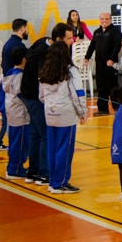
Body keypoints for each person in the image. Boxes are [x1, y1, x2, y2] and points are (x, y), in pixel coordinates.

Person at [20, 22, 75, 182]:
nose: (72, 41)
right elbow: (45, 80)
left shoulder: (41, 42)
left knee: (35, 133)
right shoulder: (48, 54)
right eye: (68, 38)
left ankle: (33, 170)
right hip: (34, 96)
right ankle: (44, 173)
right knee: (45, 134)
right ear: (58, 39)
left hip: (28, 94)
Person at [39, 41, 87, 194]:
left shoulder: (44, 72)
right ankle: (60, 183)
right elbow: (78, 94)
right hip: (66, 115)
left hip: (50, 114)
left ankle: (53, 180)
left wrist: (52, 106)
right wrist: (82, 112)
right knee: (64, 150)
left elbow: (41, 96)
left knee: (52, 149)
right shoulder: (70, 72)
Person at [84, 12, 122, 115]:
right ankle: (102, 109)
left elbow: (117, 46)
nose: (104, 21)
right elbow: (92, 45)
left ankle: (117, 108)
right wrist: (87, 57)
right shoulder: (97, 32)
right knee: (101, 86)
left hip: (110, 64)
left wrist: (112, 59)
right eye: (102, 19)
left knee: (112, 86)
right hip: (99, 63)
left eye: (106, 19)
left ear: (110, 19)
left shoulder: (115, 31)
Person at [2, 47, 29, 178]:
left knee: (14, 141)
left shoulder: (9, 73)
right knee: (20, 143)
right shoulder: (20, 75)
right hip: (20, 114)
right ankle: (15, 169)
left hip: (11, 111)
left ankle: (13, 167)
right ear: (24, 60)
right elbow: (21, 93)